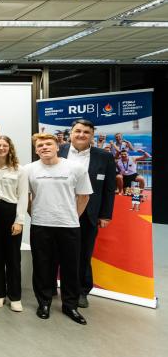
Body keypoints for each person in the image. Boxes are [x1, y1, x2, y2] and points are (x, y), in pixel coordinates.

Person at [26, 133, 93, 325]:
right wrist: (35, 214)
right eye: (40, 145)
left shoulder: (75, 168)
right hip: (40, 225)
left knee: (70, 267)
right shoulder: (28, 169)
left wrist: (72, 217)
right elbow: (26, 197)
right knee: (42, 266)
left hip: (69, 226)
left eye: (48, 144)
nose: (44, 147)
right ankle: (44, 303)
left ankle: (70, 305)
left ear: (57, 146)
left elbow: (84, 196)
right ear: (36, 150)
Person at [58, 119, 117, 308]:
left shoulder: (105, 157)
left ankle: (81, 291)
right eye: (78, 131)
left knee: (83, 253)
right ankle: (50, 288)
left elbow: (109, 188)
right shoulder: (58, 150)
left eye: (86, 132)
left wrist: (105, 214)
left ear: (92, 135)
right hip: (58, 210)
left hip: (88, 213)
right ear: (71, 133)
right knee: (55, 251)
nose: (81, 135)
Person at [0, 136, 27, 313]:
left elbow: (23, 196)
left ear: (10, 148)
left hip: (11, 214)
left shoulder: (19, 170)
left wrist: (19, 221)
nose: (1, 148)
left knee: (13, 258)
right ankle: (0, 293)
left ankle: (15, 297)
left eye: (4, 145)